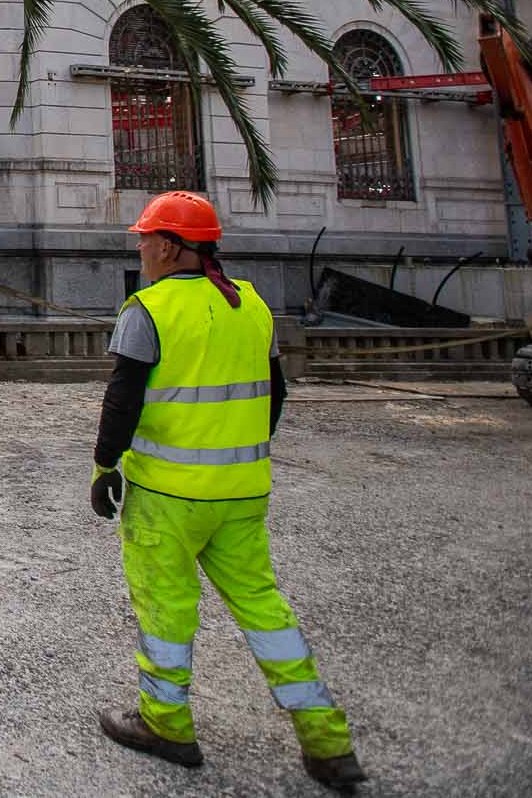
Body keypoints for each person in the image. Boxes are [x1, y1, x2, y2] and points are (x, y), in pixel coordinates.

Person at [92, 190, 365, 793]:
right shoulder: (253, 306)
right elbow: (275, 397)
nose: (139, 249)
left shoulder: (150, 309)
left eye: (143, 239)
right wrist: (239, 452)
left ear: (167, 245)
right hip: (242, 493)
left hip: (166, 494)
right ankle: (326, 738)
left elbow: (124, 398)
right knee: (264, 608)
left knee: (167, 610)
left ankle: (165, 723)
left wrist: (104, 465)